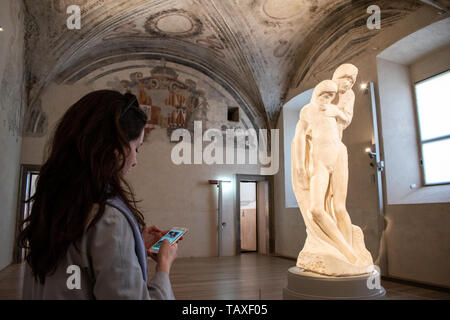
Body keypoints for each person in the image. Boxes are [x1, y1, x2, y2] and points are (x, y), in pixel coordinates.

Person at [18, 90, 178, 299]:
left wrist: (132, 242)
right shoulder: (108, 218)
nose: (135, 160)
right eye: (136, 148)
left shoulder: (53, 204)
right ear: (115, 149)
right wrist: (164, 268)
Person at [292, 80, 358, 264]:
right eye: (324, 95)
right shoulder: (307, 111)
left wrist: (338, 110)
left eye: (331, 96)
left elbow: (346, 119)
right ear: (316, 94)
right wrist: (299, 167)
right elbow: (299, 138)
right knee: (316, 209)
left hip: (338, 156)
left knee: (339, 208)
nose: (327, 99)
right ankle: (344, 249)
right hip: (319, 163)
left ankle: (349, 254)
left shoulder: (333, 110)